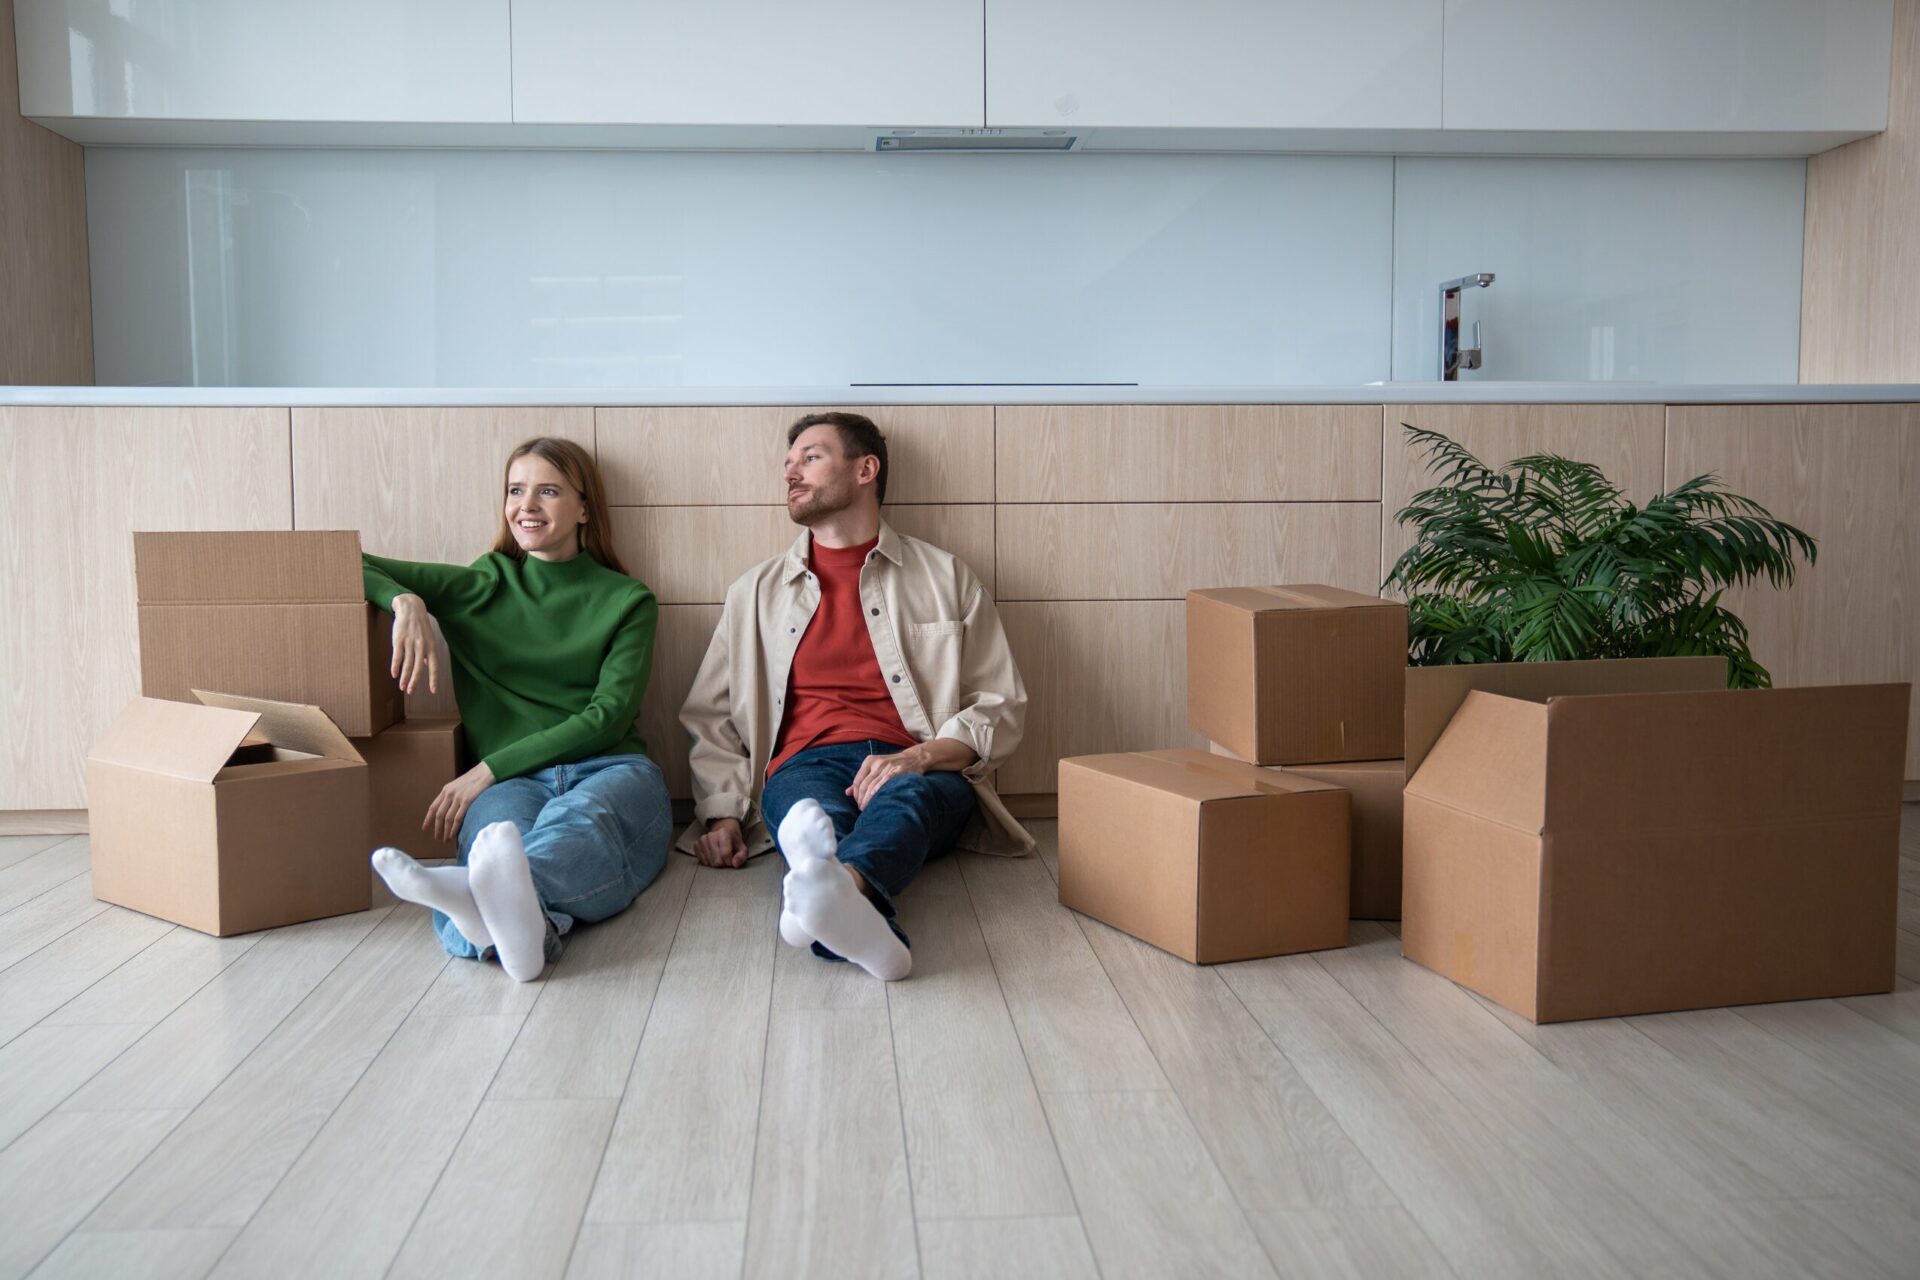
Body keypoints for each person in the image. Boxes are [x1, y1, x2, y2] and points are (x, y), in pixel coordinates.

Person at [679, 411, 1032, 981]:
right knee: (811, 815)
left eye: (810, 458)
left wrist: (917, 757)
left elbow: (1000, 703)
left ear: (865, 469)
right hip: (803, 765)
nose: (791, 473)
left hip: (919, 762)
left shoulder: (946, 577)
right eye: (788, 463)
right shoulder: (754, 593)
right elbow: (711, 714)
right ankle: (852, 903)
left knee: (903, 803)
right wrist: (721, 812)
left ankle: (830, 891)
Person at [361, 436, 670, 982]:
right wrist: (405, 600)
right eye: (515, 490)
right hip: (510, 785)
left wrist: (485, 770)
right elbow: (348, 562)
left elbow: (608, 718)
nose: (526, 505)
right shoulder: (483, 584)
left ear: (583, 509)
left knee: (578, 826)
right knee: (495, 847)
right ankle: (523, 933)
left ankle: (469, 903)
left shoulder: (628, 600)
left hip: (610, 768)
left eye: (547, 491)